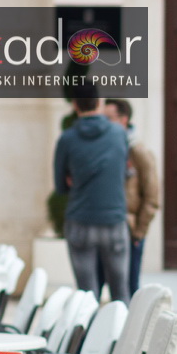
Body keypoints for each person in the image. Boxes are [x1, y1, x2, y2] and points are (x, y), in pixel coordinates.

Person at [53, 89, 130, 302]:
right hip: (113, 219)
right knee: (120, 290)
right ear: (99, 103)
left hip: (80, 220)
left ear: (75, 106)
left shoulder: (67, 139)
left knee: (86, 295)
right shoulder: (119, 134)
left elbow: (60, 186)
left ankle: (89, 335)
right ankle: (121, 333)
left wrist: (73, 181)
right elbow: (123, 173)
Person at [103, 99, 161, 298]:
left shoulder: (138, 152)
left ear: (124, 119)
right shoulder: (105, 147)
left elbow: (152, 196)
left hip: (129, 228)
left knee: (128, 287)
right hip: (106, 226)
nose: (104, 123)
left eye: (109, 118)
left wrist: (139, 231)